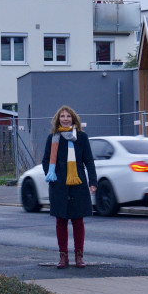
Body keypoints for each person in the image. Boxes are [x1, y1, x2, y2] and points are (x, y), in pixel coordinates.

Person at [42, 105, 97, 268]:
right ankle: (63, 257)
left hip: (78, 183)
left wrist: (93, 181)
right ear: (57, 119)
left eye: (68, 116)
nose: (65, 119)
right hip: (59, 184)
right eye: (62, 116)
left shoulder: (81, 137)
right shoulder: (52, 138)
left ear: (73, 119)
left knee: (78, 220)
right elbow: (46, 160)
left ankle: (79, 256)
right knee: (61, 221)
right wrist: (52, 176)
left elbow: (89, 161)